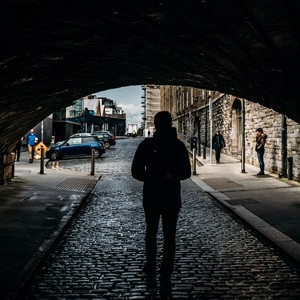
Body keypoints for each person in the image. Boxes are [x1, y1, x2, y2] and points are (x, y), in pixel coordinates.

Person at [131, 111, 191, 294]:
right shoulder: (178, 146)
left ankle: (151, 265)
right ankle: (166, 272)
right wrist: (170, 177)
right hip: (171, 196)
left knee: (151, 232)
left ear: (155, 125)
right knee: (169, 237)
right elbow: (186, 173)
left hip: (151, 196)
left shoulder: (147, 145)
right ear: (170, 123)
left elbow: (136, 171)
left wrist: (151, 178)